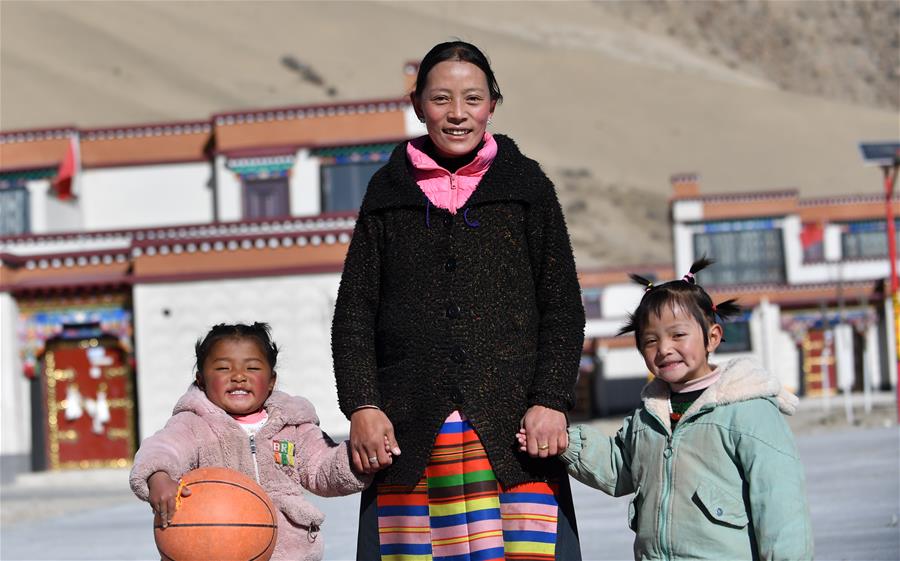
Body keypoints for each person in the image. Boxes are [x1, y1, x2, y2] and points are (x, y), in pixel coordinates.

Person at [332, 40, 586, 560]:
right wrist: (362, 404)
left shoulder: (526, 187)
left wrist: (551, 400)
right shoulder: (386, 194)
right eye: (441, 98)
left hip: (516, 433)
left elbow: (561, 306)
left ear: (492, 103)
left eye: (472, 98)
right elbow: (354, 314)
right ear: (417, 104)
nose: (457, 114)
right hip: (409, 435)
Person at [520, 258, 813, 560]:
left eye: (678, 335)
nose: (664, 349)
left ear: (712, 337)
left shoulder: (748, 410)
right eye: (650, 340)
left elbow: (780, 504)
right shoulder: (649, 416)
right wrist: (567, 442)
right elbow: (619, 467)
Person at [129, 322, 368, 561]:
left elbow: (322, 468)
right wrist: (158, 476)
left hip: (290, 554)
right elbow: (163, 448)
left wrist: (360, 457)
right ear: (201, 380)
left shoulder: (293, 425)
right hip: (211, 550)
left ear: (271, 380)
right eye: (223, 368)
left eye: (252, 367)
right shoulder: (193, 424)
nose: (239, 376)